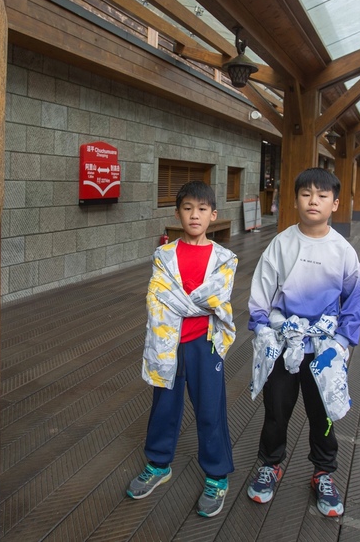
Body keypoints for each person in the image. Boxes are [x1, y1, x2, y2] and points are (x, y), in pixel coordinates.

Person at [246, 168, 360, 517]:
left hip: (324, 351)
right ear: (295, 199)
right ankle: (270, 465)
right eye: (306, 193)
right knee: (275, 412)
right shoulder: (281, 243)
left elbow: (355, 300)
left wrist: (342, 343)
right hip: (284, 346)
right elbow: (261, 293)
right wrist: (263, 328)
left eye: (322, 195)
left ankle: (323, 473)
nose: (314, 200)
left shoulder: (343, 251)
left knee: (323, 415)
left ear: (335, 203)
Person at [126, 181, 238, 517]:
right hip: (168, 344)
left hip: (205, 344)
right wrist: (195, 304)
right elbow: (156, 296)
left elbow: (217, 297)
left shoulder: (224, 258)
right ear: (177, 214)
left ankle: (217, 474)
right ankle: (159, 464)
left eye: (202, 209)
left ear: (213, 216)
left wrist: (182, 302)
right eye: (188, 208)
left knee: (210, 408)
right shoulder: (164, 255)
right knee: (165, 404)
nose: (194, 215)